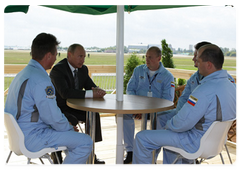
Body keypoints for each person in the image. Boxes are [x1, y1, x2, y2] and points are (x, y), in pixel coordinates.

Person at [132, 44, 237, 165]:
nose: (196, 63)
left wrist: (168, 125)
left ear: (208, 65)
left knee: (142, 138)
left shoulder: (203, 90)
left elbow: (181, 124)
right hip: (216, 142)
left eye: (198, 60)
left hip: (194, 142)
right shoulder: (232, 87)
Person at [4, 33, 93, 165]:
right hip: (32, 137)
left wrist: (65, 127)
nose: (56, 59)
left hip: (18, 135)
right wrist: (68, 127)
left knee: (73, 140)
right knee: (85, 142)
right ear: (48, 56)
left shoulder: (23, 74)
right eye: (56, 55)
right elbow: (52, 116)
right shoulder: (41, 80)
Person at [49, 43, 106, 165]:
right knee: (72, 119)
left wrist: (98, 90)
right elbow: (65, 93)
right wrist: (91, 94)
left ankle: (90, 152)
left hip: (75, 107)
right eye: (80, 56)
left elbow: (90, 86)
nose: (83, 60)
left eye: (84, 57)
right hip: (60, 108)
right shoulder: (58, 70)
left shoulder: (83, 69)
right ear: (69, 55)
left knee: (93, 115)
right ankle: (56, 157)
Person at [123, 46, 175, 164]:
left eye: (150, 57)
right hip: (137, 108)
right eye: (146, 57)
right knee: (123, 115)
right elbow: (130, 89)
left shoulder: (167, 76)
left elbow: (168, 99)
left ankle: (152, 156)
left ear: (159, 58)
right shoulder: (138, 70)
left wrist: (147, 111)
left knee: (161, 120)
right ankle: (130, 151)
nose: (147, 60)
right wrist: (137, 108)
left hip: (157, 111)